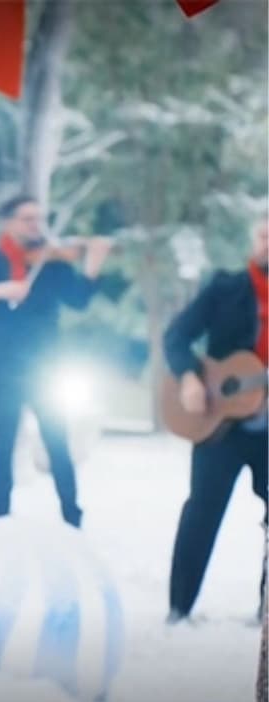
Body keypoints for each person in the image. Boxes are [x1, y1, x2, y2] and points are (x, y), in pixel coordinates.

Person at [0, 194, 112, 528]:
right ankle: (0, 515)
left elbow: (78, 300)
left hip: (46, 364)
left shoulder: (53, 263)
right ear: (8, 222)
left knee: (57, 439)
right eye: (27, 219)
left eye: (39, 219)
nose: (36, 226)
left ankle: (72, 515)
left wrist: (93, 263)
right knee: (2, 442)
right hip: (2, 366)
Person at [163, 217, 269, 624]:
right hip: (218, 423)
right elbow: (176, 336)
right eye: (263, 235)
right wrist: (189, 376)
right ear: (251, 240)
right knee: (202, 510)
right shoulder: (225, 288)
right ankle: (179, 607)